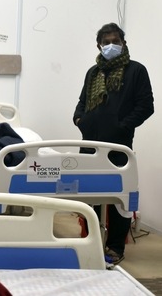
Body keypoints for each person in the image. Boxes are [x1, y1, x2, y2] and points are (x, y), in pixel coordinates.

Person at [73, 22, 154, 265]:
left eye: (115, 41)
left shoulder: (136, 71)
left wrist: (122, 126)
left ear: (124, 43)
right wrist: (79, 119)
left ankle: (116, 247)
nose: (110, 45)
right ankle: (90, 241)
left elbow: (146, 106)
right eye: (105, 42)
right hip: (90, 144)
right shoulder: (93, 72)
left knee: (119, 198)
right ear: (99, 45)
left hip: (118, 147)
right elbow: (81, 101)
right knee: (89, 194)